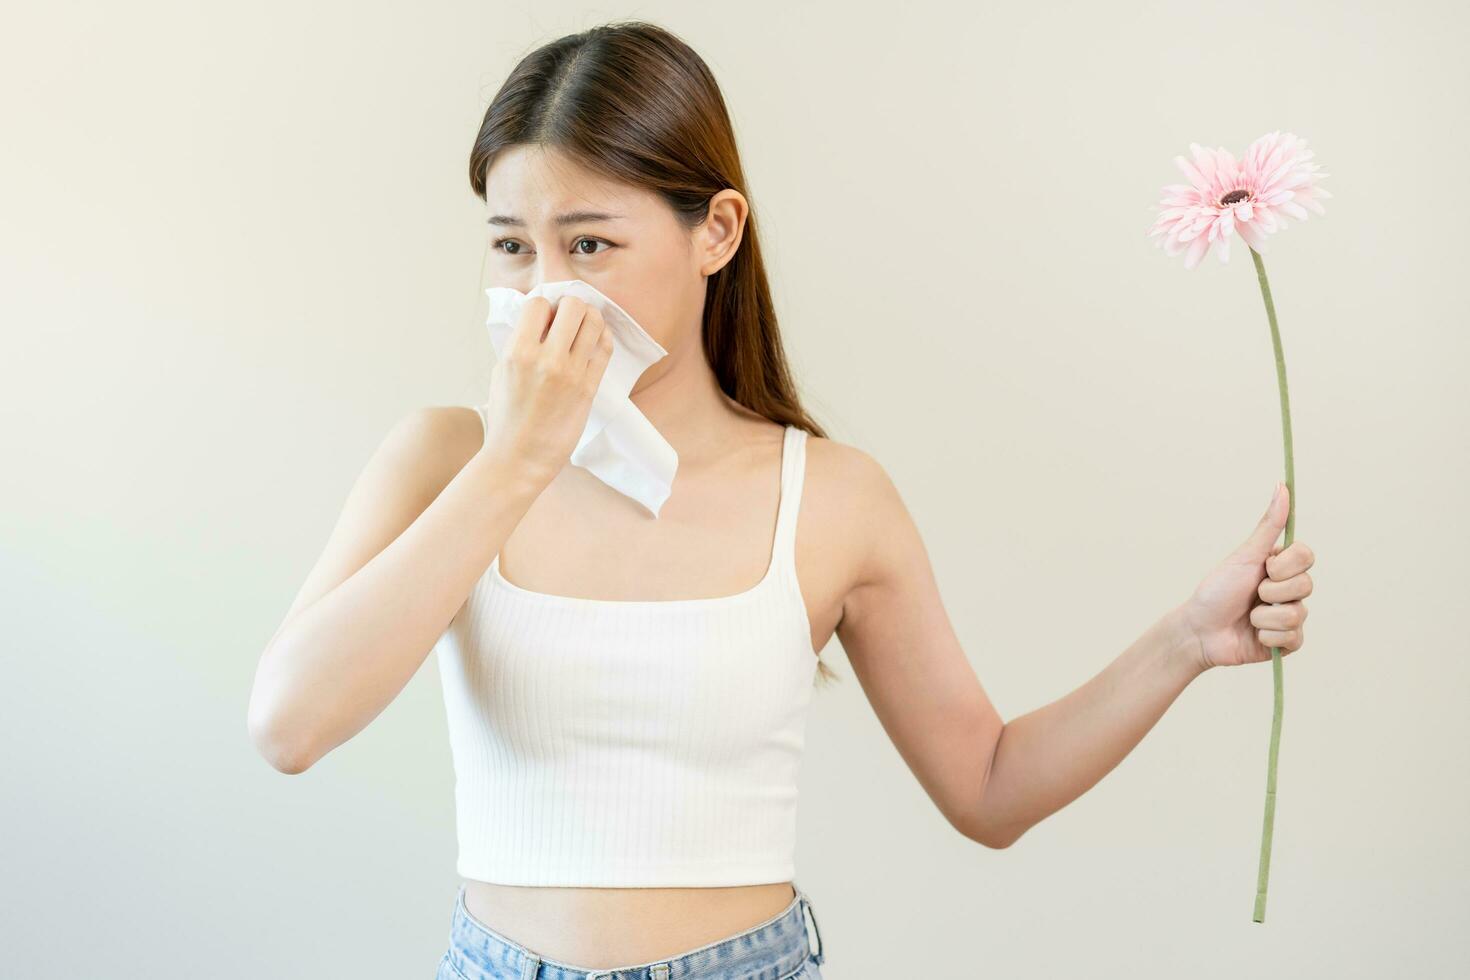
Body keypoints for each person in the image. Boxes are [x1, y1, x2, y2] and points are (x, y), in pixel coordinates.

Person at [246, 20, 1318, 980]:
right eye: (511, 246)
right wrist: (518, 460)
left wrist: (1185, 638)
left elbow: (988, 786)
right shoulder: (446, 457)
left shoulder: (834, 496)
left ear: (715, 231)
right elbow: (290, 726)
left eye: (588, 244)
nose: (541, 294)